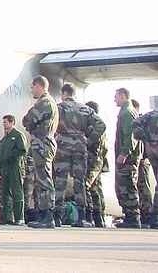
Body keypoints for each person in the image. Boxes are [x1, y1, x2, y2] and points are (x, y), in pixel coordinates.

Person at [53, 83, 106, 227]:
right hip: (80, 147)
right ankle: (81, 218)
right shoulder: (85, 109)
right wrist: (89, 140)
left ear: (64, 94)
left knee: (60, 181)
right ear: (74, 94)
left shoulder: (58, 107)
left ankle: (56, 217)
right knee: (79, 182)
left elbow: (49, 123)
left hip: (62, 146)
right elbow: (101, 124)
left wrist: (55, 136)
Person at [22, 75, 59, 228]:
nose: (32, 90)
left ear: (39, 86)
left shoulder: (44, 102)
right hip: (42, 143)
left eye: (33, 87)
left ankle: (48, 216)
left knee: (44, 179)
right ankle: (44, 214)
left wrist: (29, 122)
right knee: (42, 179)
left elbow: (28, 120)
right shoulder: (47, 102)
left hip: (42, 143)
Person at [113, 87, 141, 228]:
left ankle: (133, 218)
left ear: (123, 96)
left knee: (128, 185)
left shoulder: (127, 113)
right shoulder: (127, 111)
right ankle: (130, 216)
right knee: (124, 186)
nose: (115, 99)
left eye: (116, 96)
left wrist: (124, 153)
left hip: (128, 158)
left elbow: (130, 136)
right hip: (129, 157)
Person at [0, 115, 28, 225]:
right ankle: (7, 218)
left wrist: (11, 157)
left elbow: (22, 150)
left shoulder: (18, 135)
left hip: (14, 166)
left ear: (12, 122)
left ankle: (19, 218)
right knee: (5, 193)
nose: (4, 124)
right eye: (3, 122)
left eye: (5, 122)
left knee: (17, 192)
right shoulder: (5, 139)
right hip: (5, 168)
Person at [133, 96, 158, 229]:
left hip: (151, 150)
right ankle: (155, 216)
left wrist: (145, 140)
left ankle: (154, 216)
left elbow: (135, 124)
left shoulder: (149, 115)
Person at [84, 101, 109, 228]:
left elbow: (92, 144)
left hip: (93, 159)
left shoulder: (95, 127)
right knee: (96, 189)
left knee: (86, 185)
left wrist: (87, 141)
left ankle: (90, 216)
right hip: (99, 160)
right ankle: (99, 218)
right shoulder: (98, 127)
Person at [23, 145, 37, 224]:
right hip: (31, 176)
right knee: (28, 195)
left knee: (36, 196)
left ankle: (37, 215)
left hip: (36, 176)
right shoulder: (31, 149)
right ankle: (26, 216)